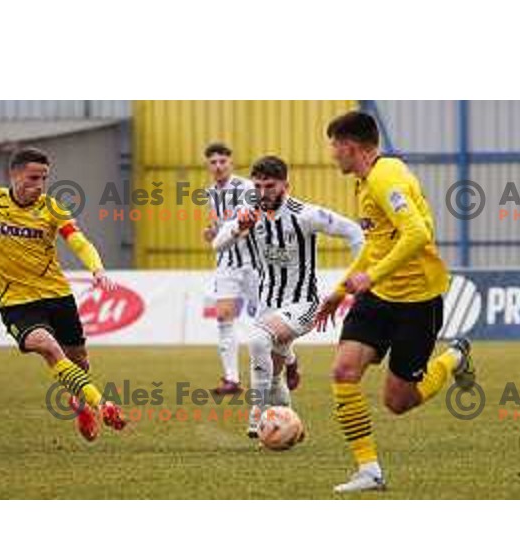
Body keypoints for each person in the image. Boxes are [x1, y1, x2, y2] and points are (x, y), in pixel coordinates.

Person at [316, 111, 476, 493]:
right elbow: (376, 245)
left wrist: (370, 277)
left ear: (349, 146)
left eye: (334, 146)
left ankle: (455, 356)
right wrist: (340, 291)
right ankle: (369, 470)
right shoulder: (366, 180)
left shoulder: (386, 177)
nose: (332, 155)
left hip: (418, 302)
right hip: (379, 297)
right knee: (343, 372)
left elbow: (417, 234)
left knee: (399, 402)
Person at [0, 147, 126, 442]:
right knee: (49, 348)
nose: (38, 185)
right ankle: (102, 404)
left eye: (44, 178)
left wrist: (97, 269)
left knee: (80, 363)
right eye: (32, 177)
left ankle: (78, 403)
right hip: (16, 302)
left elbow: (80, 242)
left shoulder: (52, 208)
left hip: (57, 296)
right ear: (14, 174)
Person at [212, 155, 363, 437]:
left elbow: (354, 231)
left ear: (286, 186)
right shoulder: (251, 213)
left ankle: (256, 412)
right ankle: (291, 429)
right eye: (257, 186)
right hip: (268, 307)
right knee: (273, 378)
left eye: (269, 186)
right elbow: (218, 244)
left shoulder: (305, 215)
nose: (262, 193)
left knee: (257, 340)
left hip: (303, 305)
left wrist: (359, 274)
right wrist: (237, 228)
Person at [203, 142, 301, 394]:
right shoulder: (211, 193)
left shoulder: (247, 188)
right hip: (227, 264)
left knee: (267, 322)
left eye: (222, 161)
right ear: (208, 165)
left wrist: (242, 230)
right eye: (213, 162)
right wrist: (212, 233)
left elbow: (260, 219)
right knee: (224, 316)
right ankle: (231, 380)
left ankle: (290, 360)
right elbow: (221, 226)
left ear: (230, 162)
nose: (218, 166)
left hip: (254, 264)